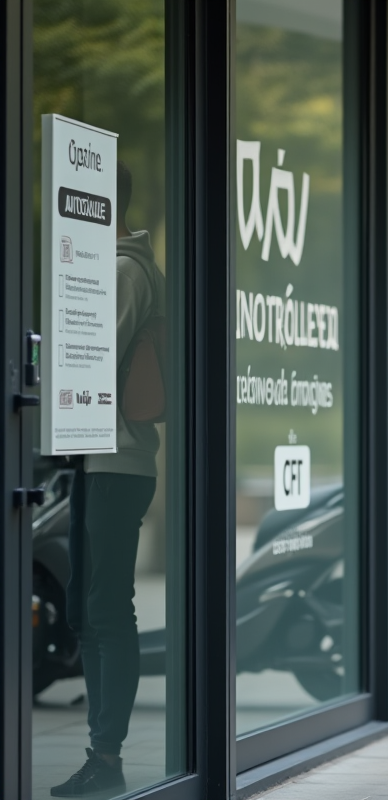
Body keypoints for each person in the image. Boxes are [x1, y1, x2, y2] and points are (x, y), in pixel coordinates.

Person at [53, 161, 165, 797]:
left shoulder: (122, 271)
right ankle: (103, 752)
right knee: (89, 609)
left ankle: (106, 756)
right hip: (101, 460)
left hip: (115, 460)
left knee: (105, 611)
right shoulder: (125, 267)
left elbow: (89, 365)